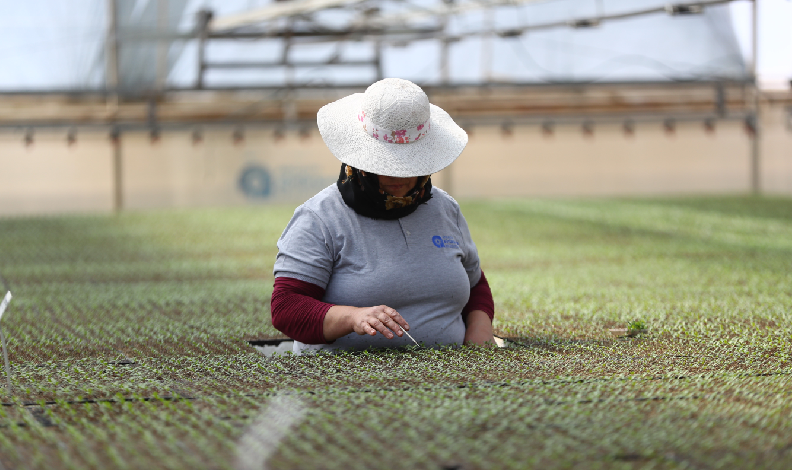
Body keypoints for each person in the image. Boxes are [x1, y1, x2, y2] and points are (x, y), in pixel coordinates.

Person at [271, 78, 495, 355]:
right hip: (339, 385)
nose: (398, 175)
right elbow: (287, 308)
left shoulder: (445, 209)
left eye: (410, 164)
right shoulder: (319, 217)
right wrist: (352, 318)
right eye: (386, 164)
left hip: (449, 381)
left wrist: (479, 336)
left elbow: (475, 286)